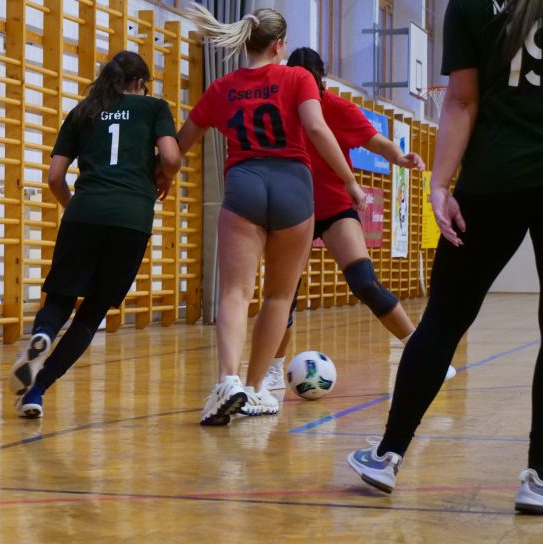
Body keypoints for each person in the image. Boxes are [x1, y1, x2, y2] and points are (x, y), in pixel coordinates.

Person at [346, 0, 543, 514]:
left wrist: (439, 184)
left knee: (443, 320)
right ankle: (540, 478)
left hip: (494, 177)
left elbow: (461, 100)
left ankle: (387, 455)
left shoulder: (472, 3)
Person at [174, 5, 365, 425]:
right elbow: (316, 128)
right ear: (279, 45)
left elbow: (181, 142)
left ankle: (228, 381)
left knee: (235, 293)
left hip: (244, 183)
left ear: (247, 40)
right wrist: (350, 182)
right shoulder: (297, 77)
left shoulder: (222, 87)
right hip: (293, 186)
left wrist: (162, 175)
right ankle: (256, 387)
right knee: (278, 296)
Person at [253, 47, 453, 411]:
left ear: (322, 81)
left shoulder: (337, 109)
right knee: (284, 296)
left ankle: (421, 351)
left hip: (334, 208)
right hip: (293, 212)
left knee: (364, 282)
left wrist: (399, 157)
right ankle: (273, 370)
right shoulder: (278, 108)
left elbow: (374, 141)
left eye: (312, 83)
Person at [8, 51, 181, 418]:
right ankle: (37, 390)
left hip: (85, 211)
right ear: (140, 83)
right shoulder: (154, 108)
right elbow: (171, 158)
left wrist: (74, 206)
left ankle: (42, 335)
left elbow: (54, 177)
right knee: (92, 312)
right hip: (132, 217)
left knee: (60, 299)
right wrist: (165, 176)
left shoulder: (83, 111)